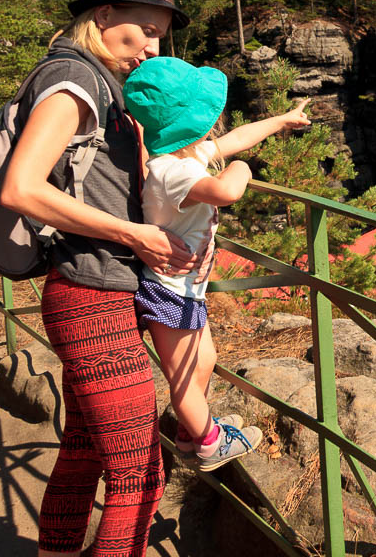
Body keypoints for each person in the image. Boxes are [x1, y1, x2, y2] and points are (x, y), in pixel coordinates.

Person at [0, 0, 200, 557]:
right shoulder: (72, 81)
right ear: (105, 15)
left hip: (86, 292)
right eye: (144, 29)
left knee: (84, 454)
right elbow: (22, 188)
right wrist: (134, 235)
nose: (152, 47)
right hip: (93, 303)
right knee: (139, 475)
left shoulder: (95, 78)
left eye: (160, 35)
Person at [121, 56, 311, 471]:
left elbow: (234, 140)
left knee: (203, 361)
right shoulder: (173, 173)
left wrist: (281, 121)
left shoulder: (183, 158)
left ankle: (191, 433)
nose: (216, 124)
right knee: (185, 376)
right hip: (167, 290)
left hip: (185, 290)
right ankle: (209, 442)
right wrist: (241, 168)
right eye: (209, 116)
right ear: (190, 124)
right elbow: (227, 190)